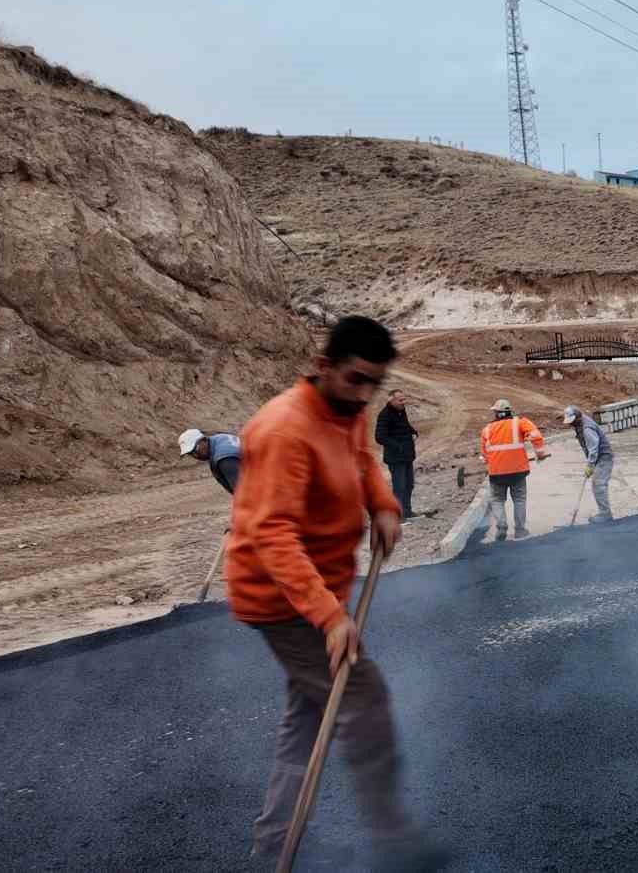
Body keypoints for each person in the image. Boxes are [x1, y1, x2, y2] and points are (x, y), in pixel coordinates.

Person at [224, 316, 443, 869]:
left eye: (376, 383)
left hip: (318, 588)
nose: (366, 394)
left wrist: (384, 505)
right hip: (280, 599)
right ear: (323, 366)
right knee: (363, 697)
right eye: (356, 379)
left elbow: (363, 460)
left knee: (307, 719)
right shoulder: (284, 431)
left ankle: (273, 845)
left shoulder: (347, 409)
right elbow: (273, 535)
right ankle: (394, 841)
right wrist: (329, 617)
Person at [478, 398, 549, 541]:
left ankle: (501, 525)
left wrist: (489, 462)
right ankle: (520, 531)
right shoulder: (520, 422)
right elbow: (535, 436)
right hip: (518, 471)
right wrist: (540, 453)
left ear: (496, 413)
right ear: (510, 411)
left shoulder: (487, 429)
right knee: (519, 499)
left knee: (497, 500)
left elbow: (485, 455)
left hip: (497, 473)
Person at [563, 405, 614, 523]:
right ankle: (605, 513)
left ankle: (606, 515)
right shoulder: (580, 422)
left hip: (603, 458)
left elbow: (593, 449)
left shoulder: (587, 429)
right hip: (598, 458)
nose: (570, 424)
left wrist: (590, 465)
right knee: (597, 484)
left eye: (572, 422)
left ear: (577, 418)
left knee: (599, 484)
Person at [374, 389, 419, 520]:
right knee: (399, 487)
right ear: (391, 400)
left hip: (407, 456)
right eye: (400, 400)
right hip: (395, 458)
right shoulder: (385, 415)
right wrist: (398, 446)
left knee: (409, 485)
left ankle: (407, 512)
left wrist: (413, 432)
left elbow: (405, 426)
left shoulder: (401, 411)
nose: (403, 402)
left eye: (404, 399)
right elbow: (379, 437)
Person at [180, 428, 243, 494]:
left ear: (203, 440)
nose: (195, 455)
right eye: (190, 453)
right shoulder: (219, 439)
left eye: (195, 449)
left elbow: (242, 491)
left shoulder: (224, 458)